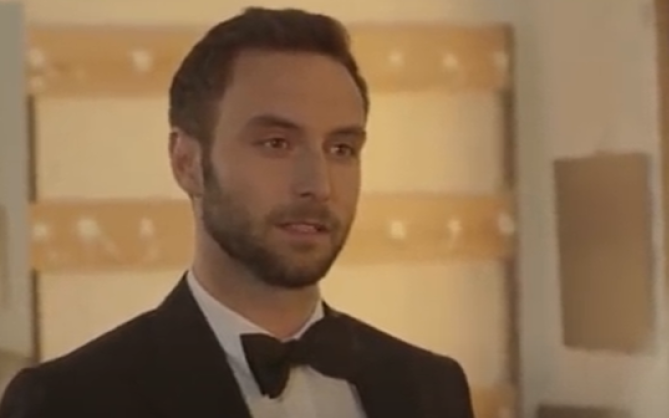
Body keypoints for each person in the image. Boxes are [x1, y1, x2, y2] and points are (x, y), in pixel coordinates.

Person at [0, 7, 475, 418]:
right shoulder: (69, 401)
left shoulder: (431, 387)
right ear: (187, 163)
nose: (319, 185)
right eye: (276, 143)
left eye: (341, 149)